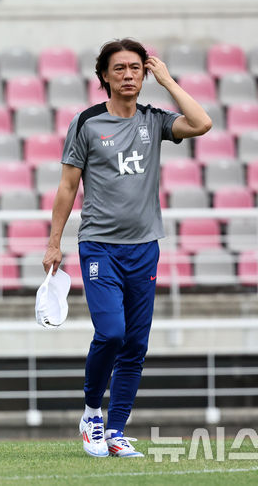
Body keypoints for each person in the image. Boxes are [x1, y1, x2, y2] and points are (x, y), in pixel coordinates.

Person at [42, 39, 212, 458]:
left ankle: (116, 430)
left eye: (136, 68)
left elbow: (202, 122)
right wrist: (53, 242)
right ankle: (91, 414)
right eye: (119, 69)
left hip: (144, 247)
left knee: (135, 343)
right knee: (112, 332)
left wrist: (169, 80)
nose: (129, 75)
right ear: (104, 76)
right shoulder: (86, 122)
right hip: (99, 246)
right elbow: (67, 187)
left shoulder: (155, 121)